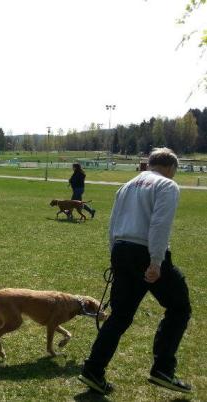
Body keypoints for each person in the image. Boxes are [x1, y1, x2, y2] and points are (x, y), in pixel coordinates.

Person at [78, 148, 192, 395]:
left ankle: (93, 370)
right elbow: (160, 224)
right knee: (180, 307)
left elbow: (113, 224)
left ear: (149, 164)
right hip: (145, 252)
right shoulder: (167, 186)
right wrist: (156, 261)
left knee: (119, 316)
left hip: (121, 249)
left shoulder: (126, 186)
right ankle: (163, 369)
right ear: (172, 168)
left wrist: (115, 256)